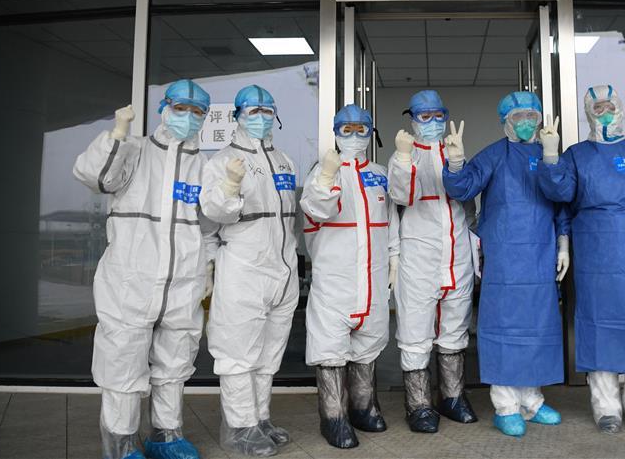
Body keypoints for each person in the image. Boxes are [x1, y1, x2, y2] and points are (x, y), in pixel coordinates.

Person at [73, 79, 216, 459]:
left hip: (182, 278)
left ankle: (166, 435)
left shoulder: (200, 163)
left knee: (176, 358)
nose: (188, 117)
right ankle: (121, 443)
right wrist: (116, 135)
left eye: (197, 111)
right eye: (181, 108)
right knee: (123, 357)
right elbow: (95, 177)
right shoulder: (133, 150)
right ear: (164, 109)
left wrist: (208, 266)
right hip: (130, 276)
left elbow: (208, 224)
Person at [537, 85, 625, 435]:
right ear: (589, 112)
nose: (604, 112)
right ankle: (606, 408)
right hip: (594, 256)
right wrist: (552, 156)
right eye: (597, 108)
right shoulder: (577, 155)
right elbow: (559, 196)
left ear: (620, 108)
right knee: (597, 328)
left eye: (609, 106)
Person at [441, 91, 567, 438]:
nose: (527, 123)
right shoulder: (495, 156)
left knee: (537, 328)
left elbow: (562, 198)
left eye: (532, 116)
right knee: (505, 329)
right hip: (505, 260)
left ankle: (533, 400)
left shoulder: (549, 155)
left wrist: (563, 242)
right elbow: (463, 187)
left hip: (541, 256)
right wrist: (455, 163)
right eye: (519, 117)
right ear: (505, 121)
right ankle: (506, 406)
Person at [200, 85, 299, 457]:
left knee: (269, 354)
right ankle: (240, 428)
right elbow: (213, 216)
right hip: (244, 268)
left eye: (267, 111)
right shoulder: (221, 160)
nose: (260, 118)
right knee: (238, 352)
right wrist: (230, 184)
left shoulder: (286, 160)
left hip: (282, 270)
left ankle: (260, 418)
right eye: (252, 111)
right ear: (238, 115)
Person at [300, 104, 400, 448]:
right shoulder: (322, 172)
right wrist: (328, 176)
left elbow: (391, 219)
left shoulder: (379, 171)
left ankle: (363, 407)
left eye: (362, 129)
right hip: (336, 277)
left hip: (371, 276)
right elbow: (317, 208)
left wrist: (395, 258)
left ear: (372, 133)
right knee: (331, 347)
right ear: (335, 133)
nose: (355, 136)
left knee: (369, 342)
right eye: (347, 130)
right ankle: (334, 417)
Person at [388, 90, 478, 433]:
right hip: (419, 258)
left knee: (455, 327)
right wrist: (403, 156)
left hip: (456, 256)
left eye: (437, 116)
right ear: (412, 119)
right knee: (415, 331)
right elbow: (402, 195)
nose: (432, 123)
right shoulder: (403, 158)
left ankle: (453, 397)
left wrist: (457, 163)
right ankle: (419, 404)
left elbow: (468, 203)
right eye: (423, 117)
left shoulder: (454, 151)